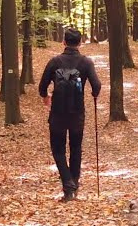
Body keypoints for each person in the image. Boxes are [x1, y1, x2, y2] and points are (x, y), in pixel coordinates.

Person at [38, 28, 101, 201]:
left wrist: (46, 97)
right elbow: (97, 85)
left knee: (58, 150)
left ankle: (68, 185)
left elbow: (42, 86)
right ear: (80, 43)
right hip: (77, 114)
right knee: (76, 149)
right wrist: (94, 95)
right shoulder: (86, 63)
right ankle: (73, 183)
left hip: (58, 114)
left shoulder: (54, 61)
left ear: (64, 42)